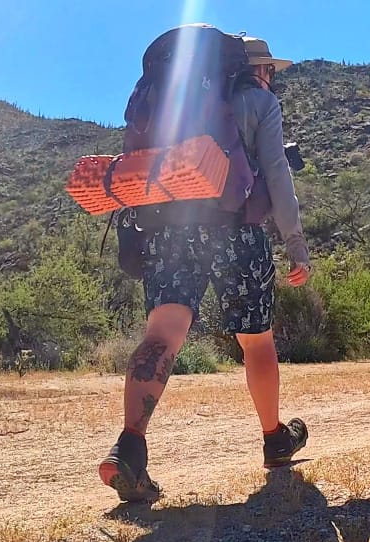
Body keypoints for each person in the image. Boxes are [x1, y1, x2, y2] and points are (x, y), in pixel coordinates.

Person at [98, 31, 312, 503]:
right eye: (271, 69)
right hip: (239, 231)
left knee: (161, 336)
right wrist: (295, 244)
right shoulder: (259, 101)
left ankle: (129, 446)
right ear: (256, 68)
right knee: (256, 342)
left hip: (170, 228)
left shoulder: (175, 98)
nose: (272, 77)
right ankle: (275, 439)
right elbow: (277, 175)